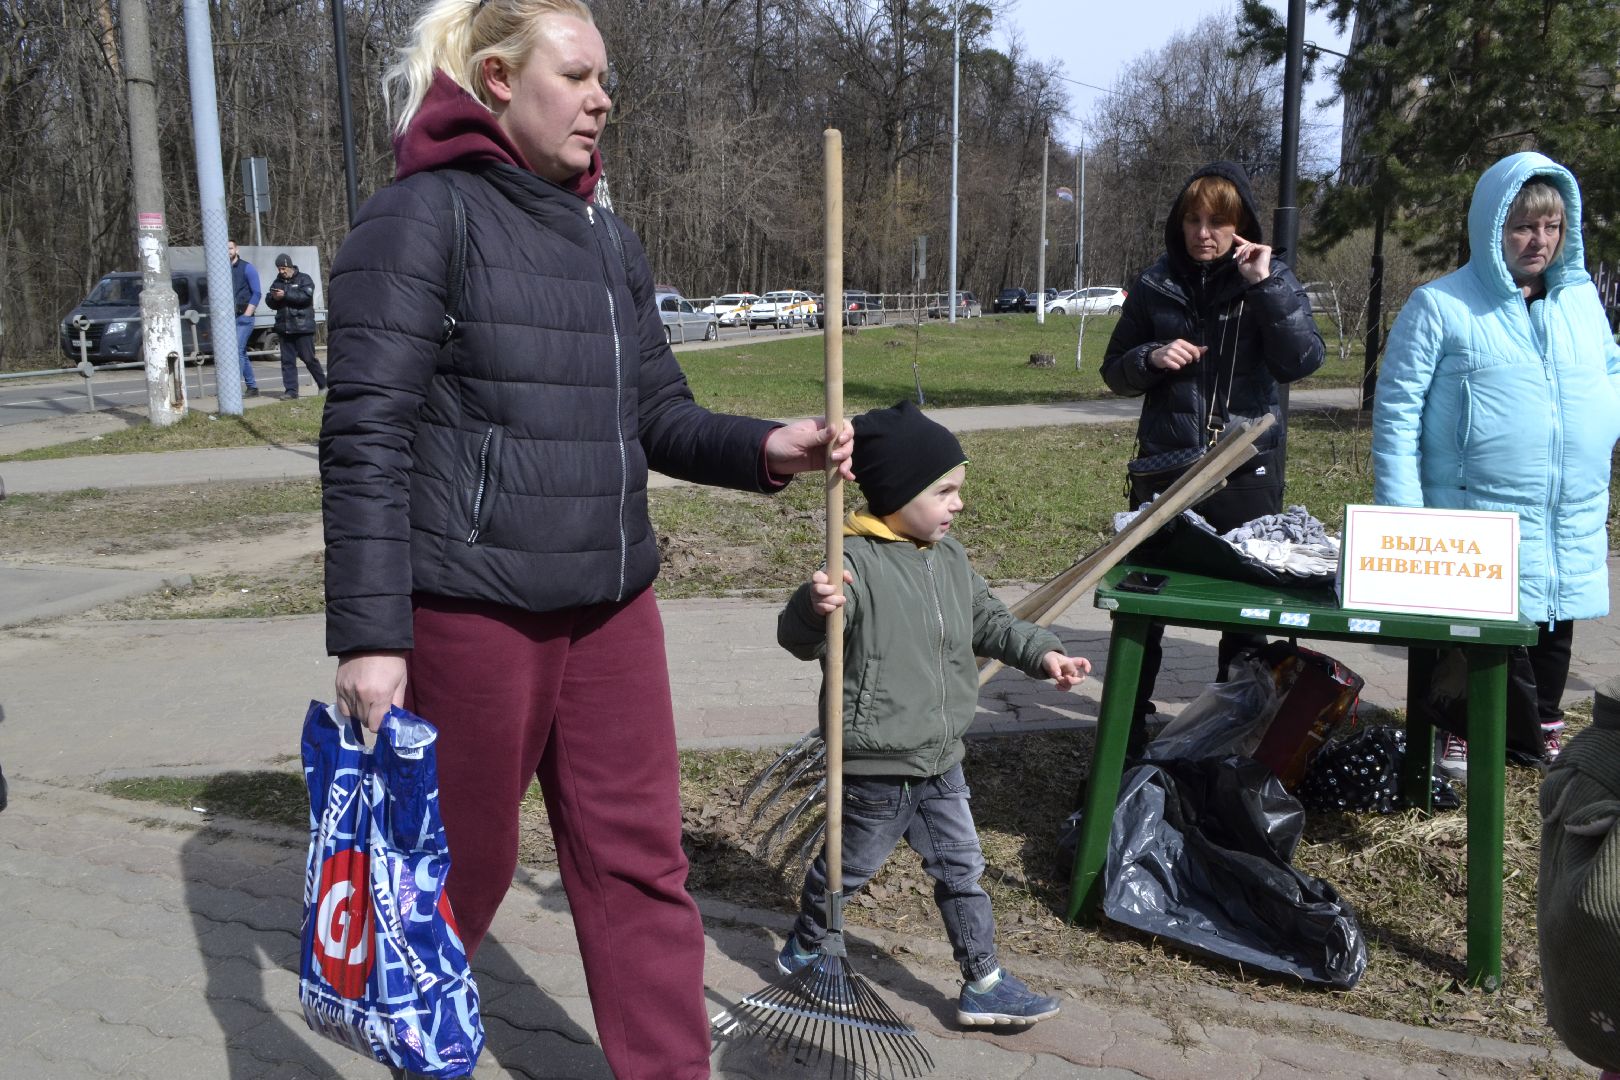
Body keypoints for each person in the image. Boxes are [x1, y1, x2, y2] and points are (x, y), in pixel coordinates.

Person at [317, 1, 851, 1076]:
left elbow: (656, 410)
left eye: (607, 78)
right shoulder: (419, 218)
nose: (604, 99)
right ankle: (414, 1049)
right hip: (472, 610)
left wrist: (766, 448)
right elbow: (364, 436)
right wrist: (372, 639)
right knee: (453, 874)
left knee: (640, 866)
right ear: (501, 81)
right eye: (579, 75)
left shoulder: (608, 233)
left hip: (611, 609)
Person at [776, 400, 1089, 1027]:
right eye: (944, 490)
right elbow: (799, 639)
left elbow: (991, 622)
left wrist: (1046, 655)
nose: (958, 504)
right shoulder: (853, 563)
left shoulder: (948, 557)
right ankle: (807, 949)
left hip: (942, 755)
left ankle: (983, 981)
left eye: (958, 490)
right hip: (878, 758)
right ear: (896, 491)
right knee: (850, 867)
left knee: (963, 867)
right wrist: (816, 606)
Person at [1372, 151, 1620, 776]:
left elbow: (1609, 369)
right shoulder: (1441, 305)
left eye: (1552, 227)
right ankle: (1461, 728)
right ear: (1491, 228)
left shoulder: (1581, 302)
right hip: (1476, 509)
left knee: (1555, 616)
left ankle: (1542, 727)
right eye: (1523, 227)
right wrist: (1404, 516)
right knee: (1477, 627)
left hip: (1571, 501)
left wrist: (1601, 429)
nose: (1540, 241)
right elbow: (1397, 414)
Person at [1101, 162, 1324, 755]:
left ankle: (1231, 747)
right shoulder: (1155, 285)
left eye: (1218, 222)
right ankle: (1124, 743)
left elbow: (1302, 360)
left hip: (1246, 473)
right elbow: (1114, 371)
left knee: (1247, 621)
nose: (1204, 234)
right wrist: (1151, 357)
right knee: (1142, 613)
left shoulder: (1269, 278)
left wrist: (1265, 285)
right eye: (1193, 221)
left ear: (1241, 226)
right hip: (1165, 470)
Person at [265, 252, 324, 399]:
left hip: (302, 327)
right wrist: (273, 298)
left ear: (289, 266)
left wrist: (285, 294)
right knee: (287, 361)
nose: (281, 271)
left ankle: (324, 384)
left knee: (308, 358)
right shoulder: (277, 282)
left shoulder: (304, 279)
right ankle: (291, 391)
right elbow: (269, 301)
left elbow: (305, 297)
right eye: (279, 269)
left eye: (283, 268)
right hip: (284, 328)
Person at [227, 240, 261, 397]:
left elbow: (257, 293)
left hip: (243, 317)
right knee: (241, 353)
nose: (228, 251)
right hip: (227, 319)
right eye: (225, 248)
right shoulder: (221, 270)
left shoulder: (247, 268)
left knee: (237, 350)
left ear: (236, 249)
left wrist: (248, 313)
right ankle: (252, 387)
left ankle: (233, 388)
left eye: (230, 248)